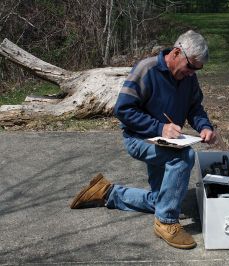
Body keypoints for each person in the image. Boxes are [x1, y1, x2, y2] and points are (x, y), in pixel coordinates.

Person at [69, 30, 216, 249]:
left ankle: (107, 193)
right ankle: (166, 222)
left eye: (198, 69)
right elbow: (123, 109)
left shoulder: (188, 79)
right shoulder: (146, 70)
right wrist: (159, 127)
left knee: (162, 200)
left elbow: (195, 108)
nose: (192, 73)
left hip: (167, 141)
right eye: (191, 67)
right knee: (184, 157)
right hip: (139, 139)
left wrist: (204, 126)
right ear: (177, 52)